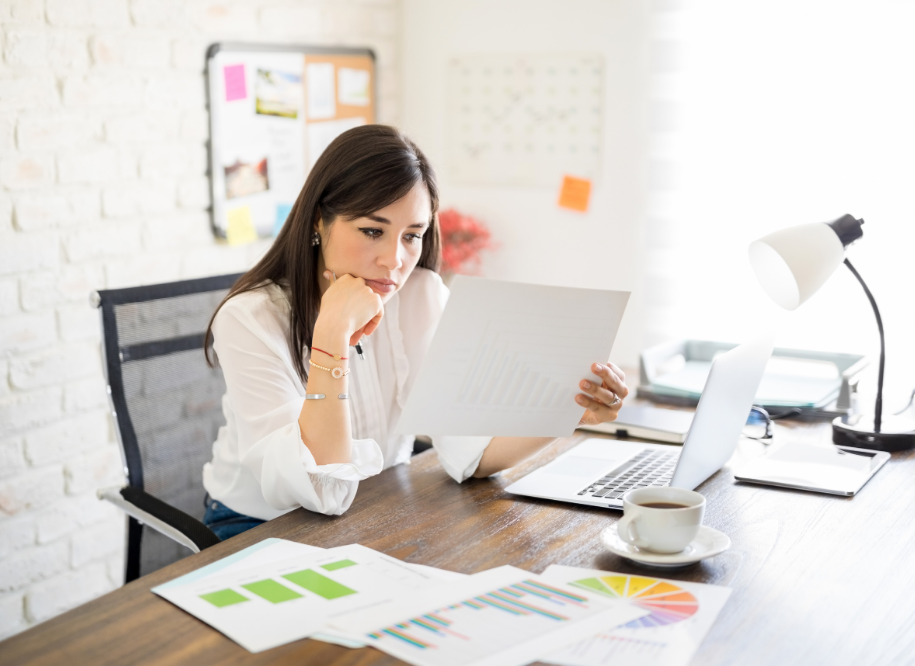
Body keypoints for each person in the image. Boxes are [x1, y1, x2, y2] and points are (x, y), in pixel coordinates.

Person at [201, 125, 629, 540]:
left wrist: (568, 411)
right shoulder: (250, 318)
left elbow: (470, 454)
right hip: (259, 529)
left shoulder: (420, 295)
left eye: (412, 236)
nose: (394, 260)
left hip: (374, 513)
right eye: (372, 231)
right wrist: (331, 336)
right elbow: (320, 491)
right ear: (319, 221)